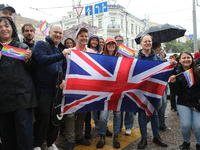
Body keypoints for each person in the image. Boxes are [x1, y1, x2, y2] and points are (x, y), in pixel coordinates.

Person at [0, 17, 37, 150]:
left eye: (7, 26)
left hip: (23, 97)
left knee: (25, 135)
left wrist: (28, 61)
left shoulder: (22, 46)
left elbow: (33, 70)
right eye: (0, 27)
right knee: (7, 135)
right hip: (3, 99)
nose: (4, 29)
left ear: (12, 29)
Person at [33, 24, 67, 150]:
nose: (58, 35)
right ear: (49, 33)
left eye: (60, 33)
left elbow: (63, 68)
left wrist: (63, 80)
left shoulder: (60, 49)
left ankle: (50, 142)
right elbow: (41, 59)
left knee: (56, 117)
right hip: (43, 89)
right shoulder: (41, 45)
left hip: (57, 90)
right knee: (43, 116)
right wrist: (61, 55)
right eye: (55, 32)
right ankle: (37, 144)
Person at [62, 27, 94, 150]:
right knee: (70, 115)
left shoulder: (91, 52)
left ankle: (79, 136)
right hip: (71, 88)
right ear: (77, 38)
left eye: (86, 36)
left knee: (82, 113)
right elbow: (64, 68)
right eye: (82, 36)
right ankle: (70, 139)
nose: (84, 38)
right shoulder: (69, 52)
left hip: (85, 89)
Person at [135, 34, 168, 149]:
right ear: (141, 44)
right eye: (145, 41)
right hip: (141, 91)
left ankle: (156, 136)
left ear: (151, 43)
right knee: (142, 114)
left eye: (149, 41)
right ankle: (144, 138)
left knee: (154, 113)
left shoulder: (158, 58)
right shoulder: (136, 59)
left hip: (153, 92)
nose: (148, 43)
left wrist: (171, 65)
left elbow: (164, 71)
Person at [169, 51, 200, 150]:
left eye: (188, 57)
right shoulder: (176, 72)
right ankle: (186, 142)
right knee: (186, 125)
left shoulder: (198, 71)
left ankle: (199, 143)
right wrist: (173, 83)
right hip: (183, 102)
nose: (186, 60)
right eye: (183, 58)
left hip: (197, 102)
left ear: (192, 59)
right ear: (180, 60)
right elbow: (177, 92)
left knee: (198, 126)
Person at [96, 37, 121, 149]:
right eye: (109, 43)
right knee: (103, 117)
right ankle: (102, 135)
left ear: (115, 45)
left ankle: (116, 135)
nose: (111, 45)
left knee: (118, 114)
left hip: (118, 91)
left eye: (113, 43)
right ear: (105, 45)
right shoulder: (100, 57)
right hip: (104, 92)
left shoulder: (121, 58)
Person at [114, 35, 134, 136]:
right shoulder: (112, 53)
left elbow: (133, 62)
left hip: (127, 83)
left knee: (128, 107)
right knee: (118, 108)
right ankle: (119, 126)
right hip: (117, 84)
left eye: (120, 41)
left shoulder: (127, 52)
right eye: (117, 40)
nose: (118, 42)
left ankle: (129, 126)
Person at [152, 43, 170, 131]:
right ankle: (151, 120)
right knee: (159, 105)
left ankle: (162, 124)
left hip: (164, 84)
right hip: (157, 85)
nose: (160, 49)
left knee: (163, 104)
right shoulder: (153, 58)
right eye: (159, 47)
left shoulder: (160, 58)